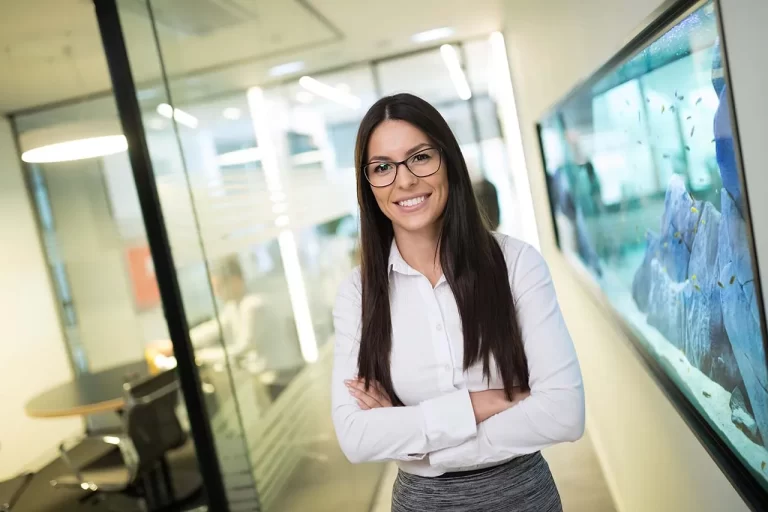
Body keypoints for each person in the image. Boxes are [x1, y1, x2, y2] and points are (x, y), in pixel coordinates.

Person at [331, 93, 584, 512]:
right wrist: (478, 404)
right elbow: (357, 436)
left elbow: (563, 412)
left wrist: (425, 444)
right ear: (368, 185)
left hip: (523, 498)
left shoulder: (516, 264)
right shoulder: (358, 294)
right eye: (382, 167)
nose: (405, 180)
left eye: (420, 157)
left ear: (448, 161)